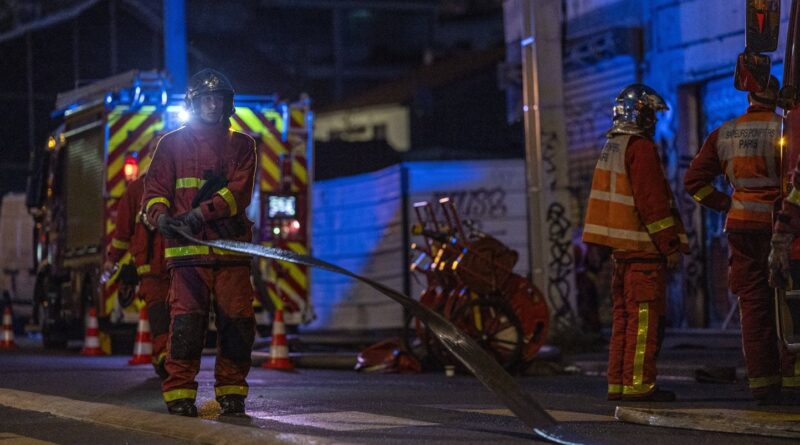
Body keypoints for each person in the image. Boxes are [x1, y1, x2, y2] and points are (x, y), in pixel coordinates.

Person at [143, 68, 257, 417]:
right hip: (187, 254)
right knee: (187, 326)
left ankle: (232, 391)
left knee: (237, 324)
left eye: (218, 98)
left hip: (230, 251)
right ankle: (179, 392)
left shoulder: (243, 145)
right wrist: (160, 216)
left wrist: (200, 214)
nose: (212, 104)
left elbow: (240, 193)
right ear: (194, 102)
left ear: (227, 104)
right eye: (206, 98)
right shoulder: (171, 144)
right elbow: (155, 192)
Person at [685, 75, 797, 404]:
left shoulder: (725, 132)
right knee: (787, 302)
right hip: (780, 227)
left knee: (753, 305)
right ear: (776, 97)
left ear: (749, 96)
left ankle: (762, 383)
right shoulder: (784, 129)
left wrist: (725, 204)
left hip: (741, 228)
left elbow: (694, 181)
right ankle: (791, 378)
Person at [583, 84, 689, 402]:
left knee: (624, 320)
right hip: (643, 251)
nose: (655, 123)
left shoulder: (611, 146)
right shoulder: (639, 147)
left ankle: (618, 382)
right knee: (644, 320)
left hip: (621, 253)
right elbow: (652, 201)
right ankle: (640, 384)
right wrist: (669, 245)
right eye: (652, 116)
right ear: (640, 114)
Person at [104, 169, 169, 380]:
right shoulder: (138, 189)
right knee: (166, 315)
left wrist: (111, 260)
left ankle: (167, 359)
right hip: (166, 267)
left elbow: (122, 232)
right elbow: (123, 233)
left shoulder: (136, 189)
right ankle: (166, 358)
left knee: (164, 315)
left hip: (163, 266)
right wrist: (112, 259)